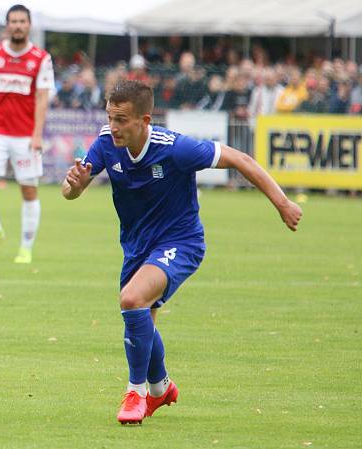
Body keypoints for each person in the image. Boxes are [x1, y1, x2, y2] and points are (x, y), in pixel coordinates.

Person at [62, 80, 302, 425]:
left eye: (122, 119)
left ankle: (135, 393)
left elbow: (240, 158)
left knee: (131, 300)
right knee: (141, 319)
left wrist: (282, 202)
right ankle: (160, 389)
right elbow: (70, 191)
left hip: (181, 242)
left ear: (145, 120)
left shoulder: (175, 148)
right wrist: (75, 186)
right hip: (136, 246)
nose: (113, 126)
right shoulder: (105, 143)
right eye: (110, 117)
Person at [0, 4, 55, 264]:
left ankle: (26, 247)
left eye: (22, 21)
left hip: (26, 135)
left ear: (29, 25)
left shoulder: (41, 58)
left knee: (29, 191)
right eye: (13, 21)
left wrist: (37, 134)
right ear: (7, 25)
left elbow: (42, 98)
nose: (17, 25)